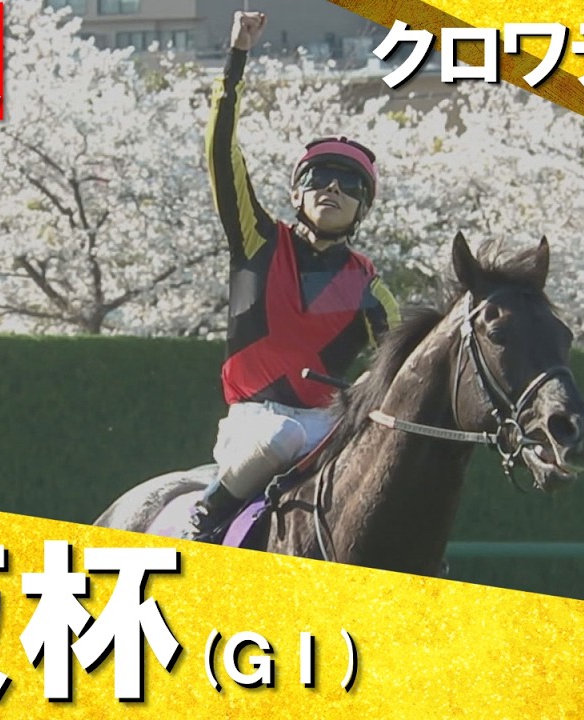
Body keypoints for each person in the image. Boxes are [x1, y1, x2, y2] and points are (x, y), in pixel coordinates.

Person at [184, 11, 400, 541]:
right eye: (319, 177)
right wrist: (236, 58)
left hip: (326, 427)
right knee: (281, 434)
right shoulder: (258, 240)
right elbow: (222, 155)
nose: (333, 189)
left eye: (349, 185)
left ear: (363, 208)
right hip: (255, 423)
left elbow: (404, 369)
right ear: (296, 193)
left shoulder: (371, 289)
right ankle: (206, 516)